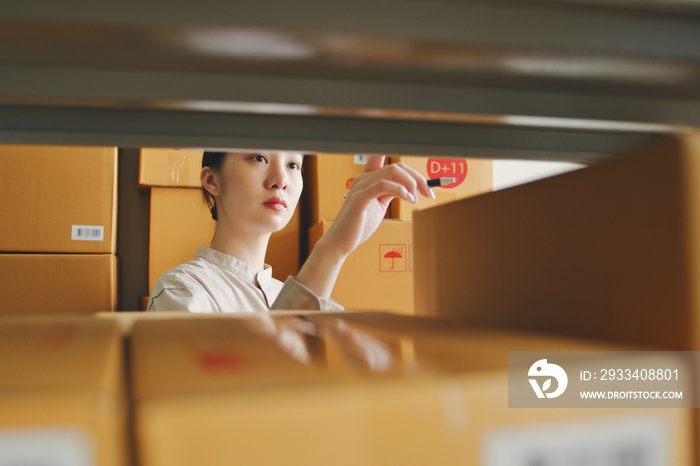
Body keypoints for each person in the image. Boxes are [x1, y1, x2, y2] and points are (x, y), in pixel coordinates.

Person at [147, 151, 436, 313]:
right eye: (259, 158)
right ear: (212, 180)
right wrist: (333, 248)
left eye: (293, 164)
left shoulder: (284, 293)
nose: (281, 180)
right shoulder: (184, 290)